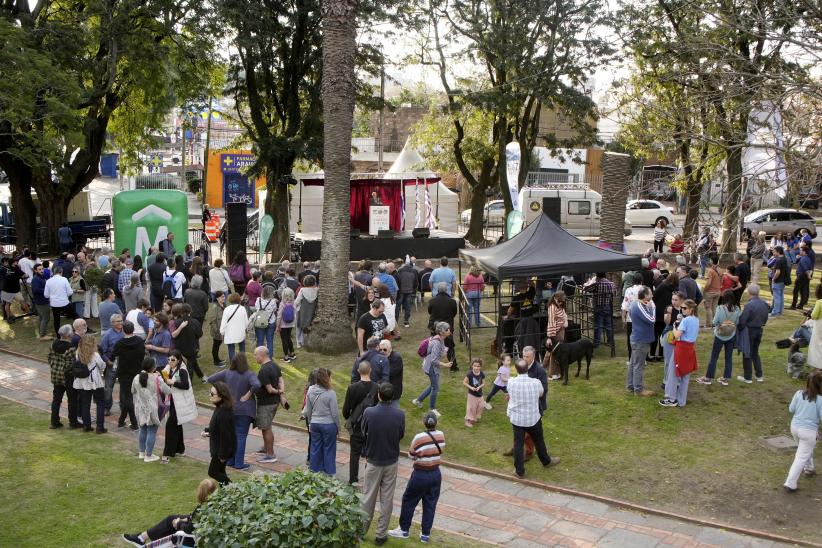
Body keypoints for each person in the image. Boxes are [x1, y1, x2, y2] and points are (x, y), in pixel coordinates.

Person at [389, 411, 445, 543]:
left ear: (424, 422)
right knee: (430, 504)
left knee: (409, 500)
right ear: (436, 422)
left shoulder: (419, 437)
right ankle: (425, 534)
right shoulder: (441, 435)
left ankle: (404, 529)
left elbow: (411, 454)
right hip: (436, 473)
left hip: (420, 474)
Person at [361, 382, 405, 546]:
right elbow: (400, 434)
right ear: (392, 396)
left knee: (368, 498)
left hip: (373, 461)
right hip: (391, 461)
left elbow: (364, 432)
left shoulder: (369, 412)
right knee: (387, 499)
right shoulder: (399, 414)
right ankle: (381, 535)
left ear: (379, 395)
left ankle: (361, 531)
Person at [122, 478, 218, 547]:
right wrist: (185, 518)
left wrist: (179, 523)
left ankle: (142, 539)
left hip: (192, 539)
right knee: (171, 519)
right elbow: (195, 519)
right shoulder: (214, 505)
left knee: (172, 523)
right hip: (199, 533)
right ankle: (141, 538)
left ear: (201, 493)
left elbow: (189, 529)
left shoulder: (202, 509)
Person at [207, 353, 261, 470]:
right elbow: (257, 385)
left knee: (231, 436)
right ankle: (239, 463)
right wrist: (248, 394)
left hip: (229, 409)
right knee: (240, 436)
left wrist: (221, 391)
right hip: (245, 411)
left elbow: (210, 379)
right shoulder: (249, 374)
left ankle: (230, 461)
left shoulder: (227, 373)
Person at [507, 358, 559, 478]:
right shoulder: (536, 383)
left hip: (518, 420)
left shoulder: (511, 382)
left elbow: (509, 392)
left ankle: (519, 472)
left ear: (516, 369)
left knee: (518, 444)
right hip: (533, 418)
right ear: (527, 369)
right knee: (539, 440)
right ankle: (546, 461)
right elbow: (541, 394)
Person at [783, 371, 822, 493]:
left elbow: (791, 409)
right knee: (801, 455)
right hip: (808, 431)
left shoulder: (798, 393)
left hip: (794, 427)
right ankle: (790, 483)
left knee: (804, 449)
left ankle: (809, 468)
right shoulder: (820, 400)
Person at [695, 290, 740, 387]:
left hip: (720, 335)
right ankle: (726, 378)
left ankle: (708, 378)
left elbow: (714, 322)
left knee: (714, 357)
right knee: (728, 357)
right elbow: (737, 322)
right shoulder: (737, 309)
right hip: (731, 335)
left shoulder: (720, 309)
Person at [343, 360, 378, 485]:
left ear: (358, 371)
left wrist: (350, 418)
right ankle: (369, 481)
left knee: (355, 453)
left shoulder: (352, 388)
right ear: (370, 370)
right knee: (370, 455)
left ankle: (353, 480)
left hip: (357, 426)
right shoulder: (376, 388)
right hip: (371, 426)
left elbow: (346, 410)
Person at [660, 299, 700, 407]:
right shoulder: (696, 319)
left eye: (684, 308)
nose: (682, 310)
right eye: (682, 307)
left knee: (673, 373)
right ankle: (682, 400)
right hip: (690, 349)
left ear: (691, 309)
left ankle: (671, 399)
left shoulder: (686, 320)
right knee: (685, 375)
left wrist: (674, 328)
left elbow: (677, 335)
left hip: (681, 348)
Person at [161, 350, 198, 463]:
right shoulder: (169, 368)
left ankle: (166, 454)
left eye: (173, 360)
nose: (170, 361)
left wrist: (172, 382)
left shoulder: (182, 370)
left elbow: (186, 385)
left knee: (170, 426)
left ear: (178, 360)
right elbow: (165, 379)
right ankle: (180, 449)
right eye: (168, 359)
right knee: (177, 425)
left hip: (180, 403)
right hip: (173, 402)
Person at [132, 358, 171, 462]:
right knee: (152, 431)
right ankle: (148, 456)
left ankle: (141, 453)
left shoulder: (136, 377)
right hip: (152, 409)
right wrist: (161, 378)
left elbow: (132, 390)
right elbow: (168, 390)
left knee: (143, 429)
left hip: (140, 408)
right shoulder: (157, 379)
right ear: (153, 367)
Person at [302, 368, 340, 475]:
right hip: (328, 425)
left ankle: (314, 472)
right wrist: (338, 427)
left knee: (315, 448)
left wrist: (310, 423)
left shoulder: (310, 390)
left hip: (315, 424)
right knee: (329, 449)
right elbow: (335, 413)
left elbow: (308, 410)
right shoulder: (331, 393)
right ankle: (329, 473)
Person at [254, 346, 286, 464]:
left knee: (266, 429)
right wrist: (282, 392)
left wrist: (279, 392)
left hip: (266, 404)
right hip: (274, 402)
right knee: (267, 426)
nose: (254, 357)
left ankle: (270, 454)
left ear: (262, 355)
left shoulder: (263, 370)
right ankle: (266, 448)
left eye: (255, 355)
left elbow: (270, 389)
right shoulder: (274, 365)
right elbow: (281, 381)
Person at [412, 322, 451, 418]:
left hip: (431, 366)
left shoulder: (441, 338)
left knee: (433, 385)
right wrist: (445, 364)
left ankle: (418, 400)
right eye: (447, 329)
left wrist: (444, 352)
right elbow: (434, 360)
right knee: (435, 388)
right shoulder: (437, 342)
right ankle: (432, 409)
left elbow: (440, 353)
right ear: (441, 332)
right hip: (431, 367)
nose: (449, 331)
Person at [112, 320, 146, 429]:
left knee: (127, 398)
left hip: (124, 373)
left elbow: (113, 356)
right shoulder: (140, 341)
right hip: (136, 372)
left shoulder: (120, 343)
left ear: (123, 330)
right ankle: (122, 420)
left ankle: (132, 423)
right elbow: (142, 355)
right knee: (130, 397)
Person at [735, 285, 770, 384]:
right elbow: (765, 318)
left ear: (749, 293)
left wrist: (740, 328)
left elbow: (742, 321)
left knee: (747, 353)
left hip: (749, 331)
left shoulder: (749, 305)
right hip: (759, 330)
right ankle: (759, 376)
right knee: (755, 353)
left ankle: (748, 377)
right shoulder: (764, 303)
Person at [73, 334, 107, 433]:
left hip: (82, 381)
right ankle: (100, 427)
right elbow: (102, 365)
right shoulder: (95, 355)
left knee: (85, 403)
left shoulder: (77, 353)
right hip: (94, 381)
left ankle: (86, 425)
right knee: (100, 403)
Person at [48, 324, 79, 429]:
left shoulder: (53, 344)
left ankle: (54, 422)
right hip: (68, 377)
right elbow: (70, 365)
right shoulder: (71, 348)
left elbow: (49, 359)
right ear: (69, 335)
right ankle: (73, 422)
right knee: (72, 400)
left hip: (56, 376)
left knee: (56, 399)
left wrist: (56, 368)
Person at [628, 287, 656, 396]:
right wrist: (652, 308)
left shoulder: (636, 304)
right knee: (638, 365)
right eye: (650, 294)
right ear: (645, 295)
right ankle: (638, 390)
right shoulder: (639, 306)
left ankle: (630, 386)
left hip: (637, 338)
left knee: (633, 364)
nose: (652, 296)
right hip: (641, 340)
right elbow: (652, 320)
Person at [208, 381, 237, 484]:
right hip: (219, 448)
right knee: (220, 472)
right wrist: (208, 431)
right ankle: (228, 493)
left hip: (221, 450)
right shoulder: (219, 407)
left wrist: (222, 456)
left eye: (212, 394)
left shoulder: (224, 412)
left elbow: (226, 437)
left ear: (221, 396)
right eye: (210, 392)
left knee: (213, 472)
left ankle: (233, 489)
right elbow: (216, 426)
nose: (209, 396)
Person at [428, 282, 458, 371]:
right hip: (447, 327)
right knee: (450, 347)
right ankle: (453, 366)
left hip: (435, 327)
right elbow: (454, 313)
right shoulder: (452, 301)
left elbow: (430, 312)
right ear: (446, 290)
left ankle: (432, 363)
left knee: (434, 345)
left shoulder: (432, 301)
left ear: (437, 290)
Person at [99, 314, 124, 414]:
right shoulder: (107, 335)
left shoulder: (125, 333)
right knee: (108, 388)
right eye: (118, 321)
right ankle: (107, 407)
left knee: (124, 387)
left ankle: (123, 406)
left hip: (123, 364)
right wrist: (108, 361)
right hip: (111, 364)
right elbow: (102, 351)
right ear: (112, 323)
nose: (120, 322)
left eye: (121, 320)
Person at [171, 303, 204, 380]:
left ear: (181, 312)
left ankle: (201, 376)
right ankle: (187, 383)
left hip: (179, 348)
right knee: (190, 367)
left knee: (179, 366)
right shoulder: (195, 322)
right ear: (190, 311)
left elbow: (173, 335)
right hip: (192, 347)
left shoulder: (176, 322)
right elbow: (200, 334)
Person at [45, 266, 77, 335]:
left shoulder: (48, 281)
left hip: (54, 304)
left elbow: (46, 295)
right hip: (64, 303)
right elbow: (70, 292)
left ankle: (58, 335)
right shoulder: (64, 279)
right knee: (75, 316)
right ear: (61, 272)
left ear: (54, 272)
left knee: (56, 320)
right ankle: (83, 328)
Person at [544, 291, 568, 379]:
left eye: (562, 301)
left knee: (550, 352)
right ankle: (552, 373)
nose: (561, 303)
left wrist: (565, 322)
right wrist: (550, 336)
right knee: (555, 352)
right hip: (555, 332)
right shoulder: (552, 307)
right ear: (555, 298)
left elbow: (563, 315)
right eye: (560, 301)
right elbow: (551, 322)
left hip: (560, 330)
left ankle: (545, 369)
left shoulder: (558, 305)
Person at [589, 273, 616, 348]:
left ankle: (596, 343)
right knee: (609, 325)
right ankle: (610, 342)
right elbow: (615, 294)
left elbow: (586, 289)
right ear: (605, 276)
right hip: (608, 306)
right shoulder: (612, 284)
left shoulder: (596, 284)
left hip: (598, 306)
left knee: (598, 326)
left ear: (597, 277)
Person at [220, 292, 249, 362]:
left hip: (230, 333)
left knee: (231, 349)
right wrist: (245, 329)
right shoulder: (242, 308)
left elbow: (223, 323)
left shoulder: (227, 309)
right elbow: (246, 322)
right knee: (242, 348)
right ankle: (243, 363)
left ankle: (233, 366)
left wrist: (222, 332)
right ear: (239, 299)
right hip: (240, 332)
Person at [254, 284, 279, 358]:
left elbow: (256, 308)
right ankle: (269, 358)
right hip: (271, 322)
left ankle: (259, 356)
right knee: (270, 341)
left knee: (260, 340)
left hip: (260, 322)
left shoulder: (258, 299)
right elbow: (274, 309)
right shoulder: (273, 301)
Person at [2, 256, 29, 322]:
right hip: (15, 290)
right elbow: (25, 275)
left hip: (6, 289)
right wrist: (26, 275)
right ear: (14, 263)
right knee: (22, 301)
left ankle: (8, 317)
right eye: (16, 262)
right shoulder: (16, 269)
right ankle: (28, 312)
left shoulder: (6, 269)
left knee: (7, 304)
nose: (17, 263)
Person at [295, 274, 318, 348]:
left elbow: (297, 301)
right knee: (310, 326)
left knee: (299, 327)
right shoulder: (317, 290)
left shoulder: (302, 290)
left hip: (302, 311)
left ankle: (299, 342)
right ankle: (306, 341)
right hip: (312, 312)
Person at [380, 339, 404, 407]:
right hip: (383, 390)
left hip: (393, 391)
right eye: (380, 349)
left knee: (394, 410)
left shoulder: (396, 358)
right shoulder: (381, 357)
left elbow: (389, 373)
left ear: (390, 349)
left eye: (384, 350)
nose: (382, 351)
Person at [463, 358, 486, 427]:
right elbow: (464, 382)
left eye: (478, 366)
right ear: (472, 366)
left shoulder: (482, 373)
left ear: (480, 367)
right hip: (472, 394)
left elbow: (484, 383)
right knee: (471, 408)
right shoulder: (470, 374)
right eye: (475, 366)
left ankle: (475, 417)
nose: (476, 367)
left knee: (481, 405)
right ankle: (467, 421)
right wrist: (471, 387)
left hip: (479, 394)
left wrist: (479, 387)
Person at [31, 263, 52, 341]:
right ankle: (42, 335)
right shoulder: (36, 279)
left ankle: (42, 333)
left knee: (42, 318)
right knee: (46, 318)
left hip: (42, 301)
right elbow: (35, 290)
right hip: (41, 302)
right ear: (35, 270)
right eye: (39, 269)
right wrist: (47, 290)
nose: (42, 270)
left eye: (42, 269)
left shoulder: (41, 277)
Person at [276, 287, 297, 362]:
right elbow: (295, 313)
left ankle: (286, 357)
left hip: (283, 324)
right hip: (291, 323)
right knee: (288, 338)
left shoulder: (282, 303)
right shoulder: (294, 302)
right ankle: (292, 353)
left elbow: (279, 316)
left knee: (284, 339)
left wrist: (277, 326)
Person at [396, 260, 418, 328]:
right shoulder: (414, 271)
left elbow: (397, 280)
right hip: (409, 291)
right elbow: (416, 282)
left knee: (397, 307)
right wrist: (413, 290)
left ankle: (395, 322)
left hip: (401, 291)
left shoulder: (400, 270)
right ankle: (406, 322)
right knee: (408, 306)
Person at [792, 245, 814, 310]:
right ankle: (801, 305)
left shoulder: (803, 259)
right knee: (803, 291)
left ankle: (793, 305)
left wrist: (808, 275)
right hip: (805, 277)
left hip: (801, 276)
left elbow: (805, 269)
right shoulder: (808, 258)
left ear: (804, 252)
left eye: (801, 250)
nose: (799, 251)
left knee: (795, 291)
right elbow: (810, 269)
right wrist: (809, 275)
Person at [702, 256, 722, 328]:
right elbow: (721, 281)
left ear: (712, 261)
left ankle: (709, 324)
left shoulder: (711, 271)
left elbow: (708, 283)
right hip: (718, 291)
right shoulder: (720, 270)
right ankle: (715, 323)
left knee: (708, 308)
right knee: (714, 308)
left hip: (710, 292)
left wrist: (704, 290)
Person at [769, 245, 788, 316]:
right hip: (782, 280)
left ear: (778, 252)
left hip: (777, 281)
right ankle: (780, 311)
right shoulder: (784, 258)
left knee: (776, 297)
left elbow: (778, 272)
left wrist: (773, 279)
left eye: (774, 251)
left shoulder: (778, 260)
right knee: (780, 296)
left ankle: (775, 312)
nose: (773, 253)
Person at [209, 291, 227, 367]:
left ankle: (218, 359)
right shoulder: (215, 307)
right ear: (217, 298)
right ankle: (216, 362)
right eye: (221, 297)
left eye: (224, 296)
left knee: (218, 344)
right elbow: (212, 321)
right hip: (217, 331)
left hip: (222, 330)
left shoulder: (224, 305)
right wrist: (217, 331)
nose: (224, 298)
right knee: (216, 345)